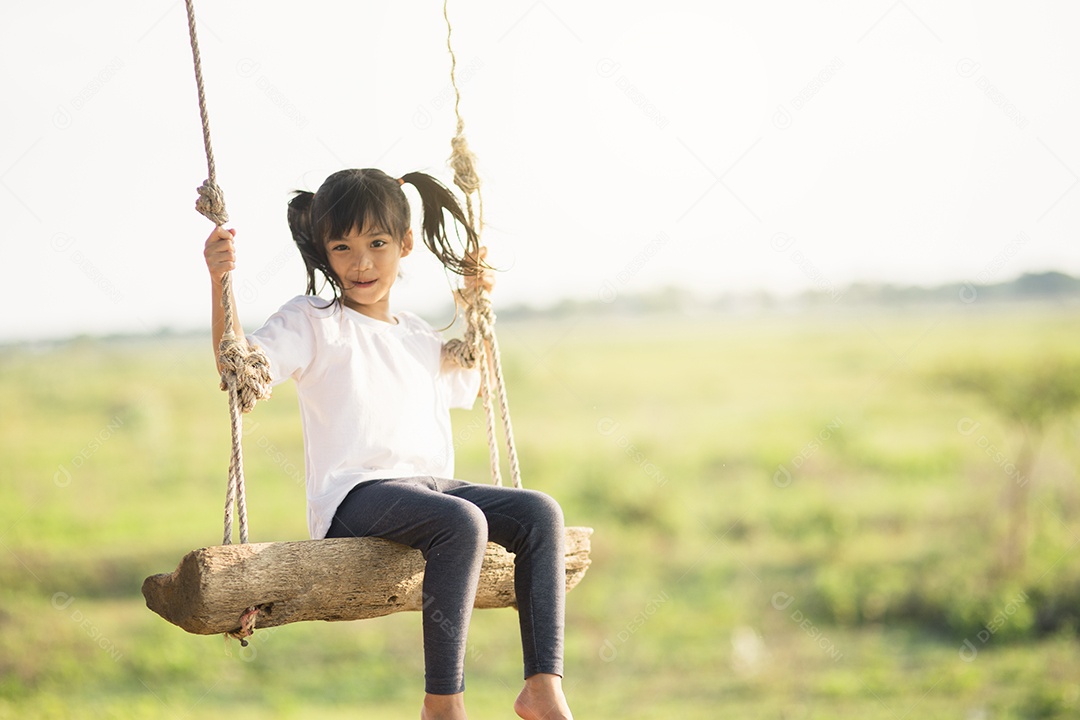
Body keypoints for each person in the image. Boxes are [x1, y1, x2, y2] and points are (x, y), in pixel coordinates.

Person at [202, 168, 573, 720]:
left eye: (377, 244)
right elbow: (238, 366)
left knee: (541, 511)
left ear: (405, 244)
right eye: (342, 247)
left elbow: (474, 380)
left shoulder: (419, 334)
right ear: (325, 254)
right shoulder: (313, 321)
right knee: (462, 522)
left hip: (430, 490)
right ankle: (441, 704)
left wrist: (474, 305)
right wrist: (219, 282)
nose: (361, 263)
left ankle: (542, 686)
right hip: (355, 496)